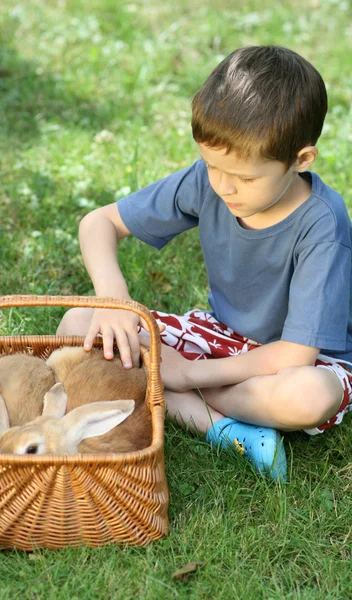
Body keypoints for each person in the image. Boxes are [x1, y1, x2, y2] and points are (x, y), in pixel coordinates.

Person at [57, 45, 352, 482]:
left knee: (307, 397)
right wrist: (112, 297)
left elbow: (296, 353)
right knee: (79, 324)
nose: (224, 187)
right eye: (213, 166)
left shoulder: (322, 225)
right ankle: (226, 430)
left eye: (246, 177)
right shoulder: (209, 180)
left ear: (300, 159)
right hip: (221, 336)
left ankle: (178, 392)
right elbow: (98, 223)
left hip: (304, 361)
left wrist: (187, 373)